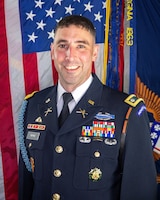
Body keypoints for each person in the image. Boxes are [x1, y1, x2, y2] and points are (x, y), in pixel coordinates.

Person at [18, 15, 157, 200]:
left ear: (94, 52)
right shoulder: (33, 106)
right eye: (62, 45)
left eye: (81, 46)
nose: (70, 55)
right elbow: (27, 187)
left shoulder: (125, 112)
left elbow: (140, 191)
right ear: (52, 51)